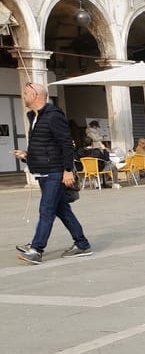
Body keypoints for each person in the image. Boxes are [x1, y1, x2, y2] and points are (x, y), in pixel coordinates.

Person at [15, 82, 93, 264]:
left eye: (26, 92)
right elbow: (45, 146)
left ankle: (36, 249)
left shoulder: (53, 117)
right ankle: (82, 243)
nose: (23, 95)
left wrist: (67, 171)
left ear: (35, 95)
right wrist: (27, 156)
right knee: (62, 210)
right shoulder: (34, 117)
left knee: (46, 209)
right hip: (44, 171)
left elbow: (66, 144)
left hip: (55, 173)